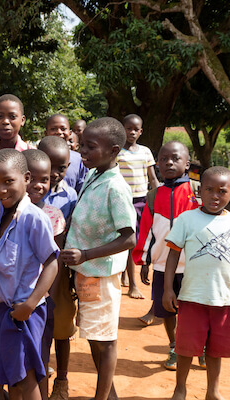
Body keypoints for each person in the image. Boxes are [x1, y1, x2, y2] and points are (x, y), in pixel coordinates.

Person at [60, 117, 137, 400]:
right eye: (82, 147)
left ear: (114, 150)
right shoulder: (95, 175)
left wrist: (86, 254)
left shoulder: (115, 187)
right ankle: (110, 394)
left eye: (90, 148)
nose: (83, 154)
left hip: (101, 274)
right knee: (95, 336)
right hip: (86, 273)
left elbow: (130, 237)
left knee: (105, 341)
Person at [0, 149, 58, 400]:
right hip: (4, 310)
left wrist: (30, 305)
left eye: (8, 181)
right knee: (13, 376)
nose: (0, 190)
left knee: (26, 376)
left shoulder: (33, 218)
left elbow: (52, 262)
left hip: (24, 310)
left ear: (27, 178)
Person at [163, 166, 230, 400]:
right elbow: (172, 255)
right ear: (199, 190)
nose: (215, 196)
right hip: (192, 296)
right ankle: (180, 388)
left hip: (223, 300)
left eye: (222, 191)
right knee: (185, 348)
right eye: (209, 190)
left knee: (216, 349)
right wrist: (168, 288)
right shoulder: (187, 219)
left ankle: (213, 391)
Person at [132, 141, 198, 370]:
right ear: (157, 164)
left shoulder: (197, 192)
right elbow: (147, 230)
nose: (169, 162)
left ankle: (201, 347)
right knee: (166, 309)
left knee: (194, 310)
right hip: (162, 264)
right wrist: (144, 261)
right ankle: (173, 346)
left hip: (193, 266)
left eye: (175, 158)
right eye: (164, 159)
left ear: (187, 163)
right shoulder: (153, 195)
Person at [22, 149, 71, 400]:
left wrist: (49, 296)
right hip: (12, 297)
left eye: (45, 180)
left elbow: (57, 260)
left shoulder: (54, 215)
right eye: (32, 178)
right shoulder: (5, 211)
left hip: (41, 299)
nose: (38, 185)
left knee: (39, 354)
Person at [117, 114, 159, 299]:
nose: (132, 132)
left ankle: (127, 275)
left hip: (141, 201)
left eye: (136, 129)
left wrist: (160, 196)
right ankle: (132, 283)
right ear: (122, 129)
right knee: (128, 239)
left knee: (136, 240)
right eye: (128, 128)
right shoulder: (116, 151)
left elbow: (152, 178)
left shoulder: (145, 152)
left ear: (141, 131)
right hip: (122, 200)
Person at [44, 114, 87, 194]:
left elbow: (81, 188)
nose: (59, 132)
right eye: (53, 129)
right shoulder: (38, 157)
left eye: (63, 129)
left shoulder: (78, 159)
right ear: (46, 133)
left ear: (70, 133)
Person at [37, 136, 77, 220]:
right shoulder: (30, 191)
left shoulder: (70, 195)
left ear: (68, 166)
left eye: (61, 168)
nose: (54, 174)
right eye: (50, 166)